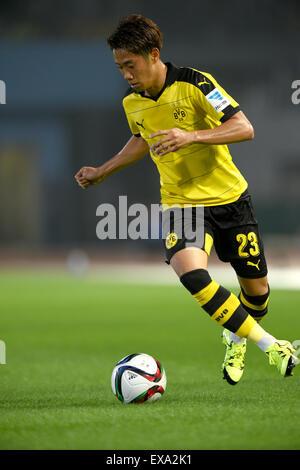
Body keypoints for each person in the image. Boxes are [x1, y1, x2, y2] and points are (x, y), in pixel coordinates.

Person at [75, 14, 296, 384]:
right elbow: (141, 140)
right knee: (192, 274)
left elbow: (245, 127)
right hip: (181, 205)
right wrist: (103, 170)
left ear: (154, 54)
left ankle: (235, 336)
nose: (126, 75)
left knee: (258, 296)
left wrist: (191, 136)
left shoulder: (197, 83)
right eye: (120, 68)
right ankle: (272, 346)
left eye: (130, 65)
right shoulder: (133, 103)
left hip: (230, 199)